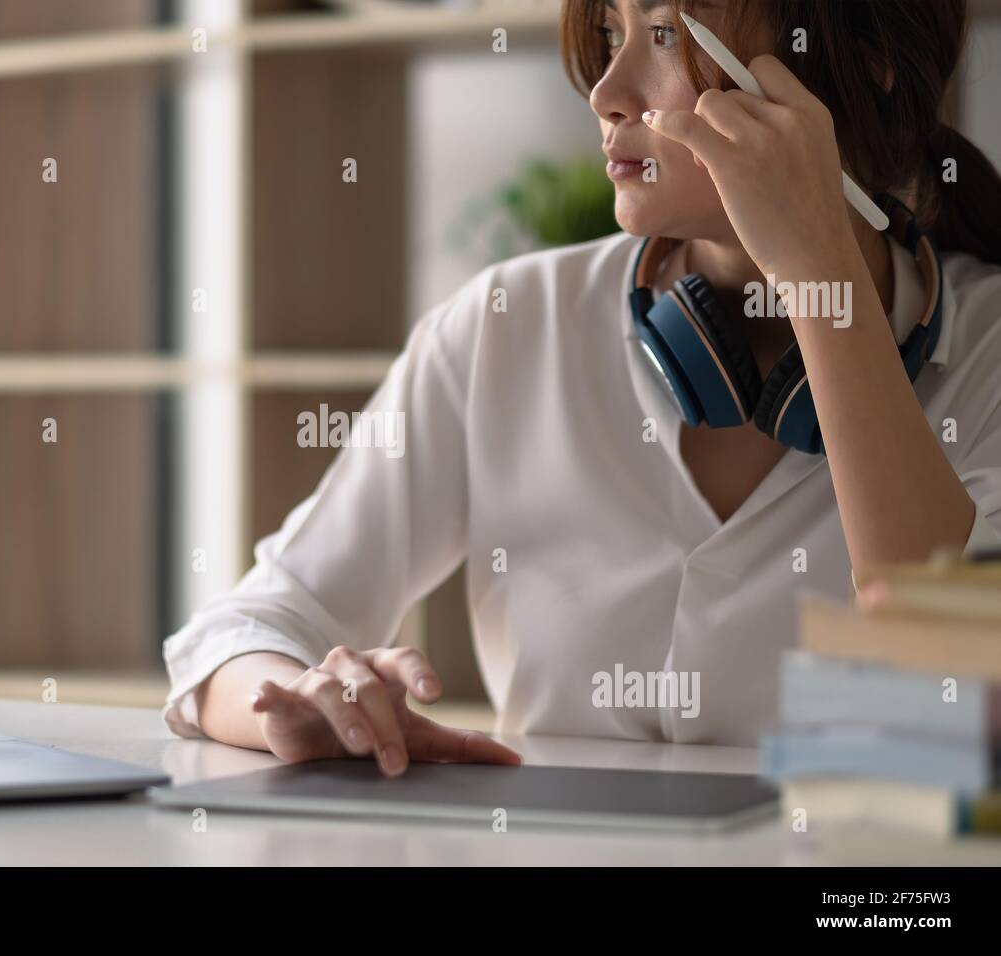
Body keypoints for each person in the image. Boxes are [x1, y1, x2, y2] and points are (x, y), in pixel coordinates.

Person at [162, 0, 1001, 773]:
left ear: (866, 60)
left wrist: (819, 266)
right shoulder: (506, 323)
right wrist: (295, 705)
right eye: (609, 33)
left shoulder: (986, 347)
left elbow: (955, 682)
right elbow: (247, 629)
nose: (607, 91)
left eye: (666, 33)